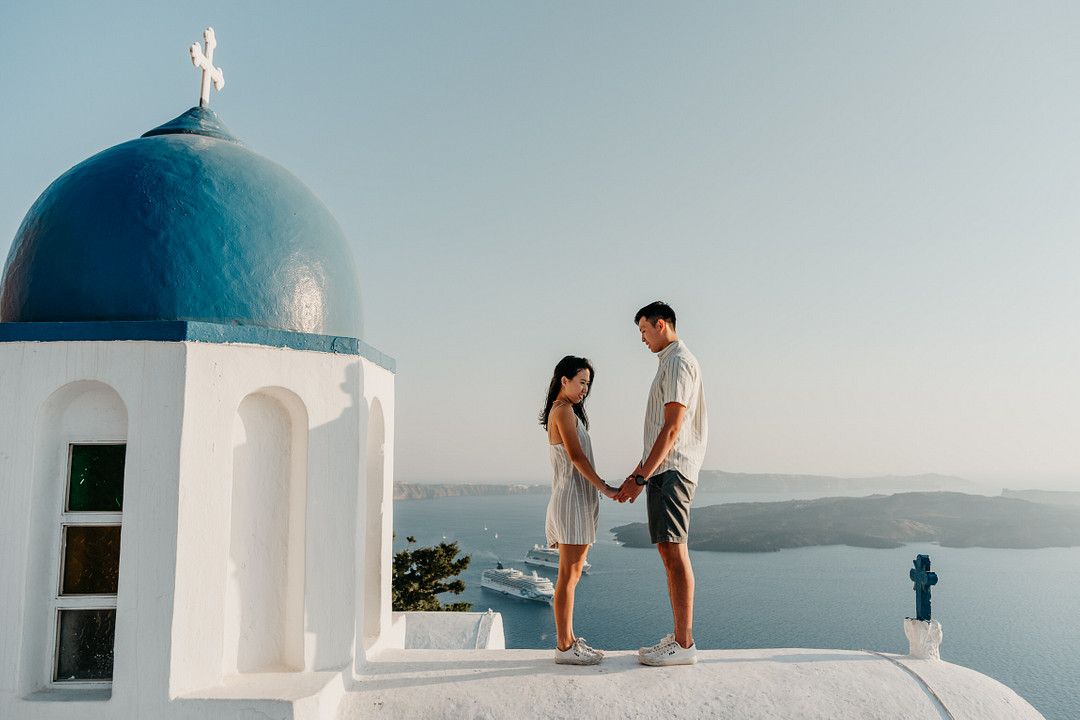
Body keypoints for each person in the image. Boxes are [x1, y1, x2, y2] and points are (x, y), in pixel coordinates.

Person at [615, 301, 708, 666]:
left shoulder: (679, 362)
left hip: (671, 470)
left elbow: (672, 429)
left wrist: (641, 477)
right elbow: (659, 432)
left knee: (674, 551)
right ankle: (680, 639)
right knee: (669, 551)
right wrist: (637, 473)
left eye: (643, 330)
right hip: (663, 469)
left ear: (661, 324)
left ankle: (683, 645)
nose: (641, 338)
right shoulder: (670, 363)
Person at [540, 355, 619, 665]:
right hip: (571, 501)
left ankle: (569, 641)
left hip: (576, 500)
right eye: (582, 382)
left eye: (588, 384)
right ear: (565, 380)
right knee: (568, 577)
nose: (586, 388)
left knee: (570, 576)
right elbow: (575, 456)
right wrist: (605, 487)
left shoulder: (566, 411)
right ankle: (564, 647)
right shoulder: (562, 411)